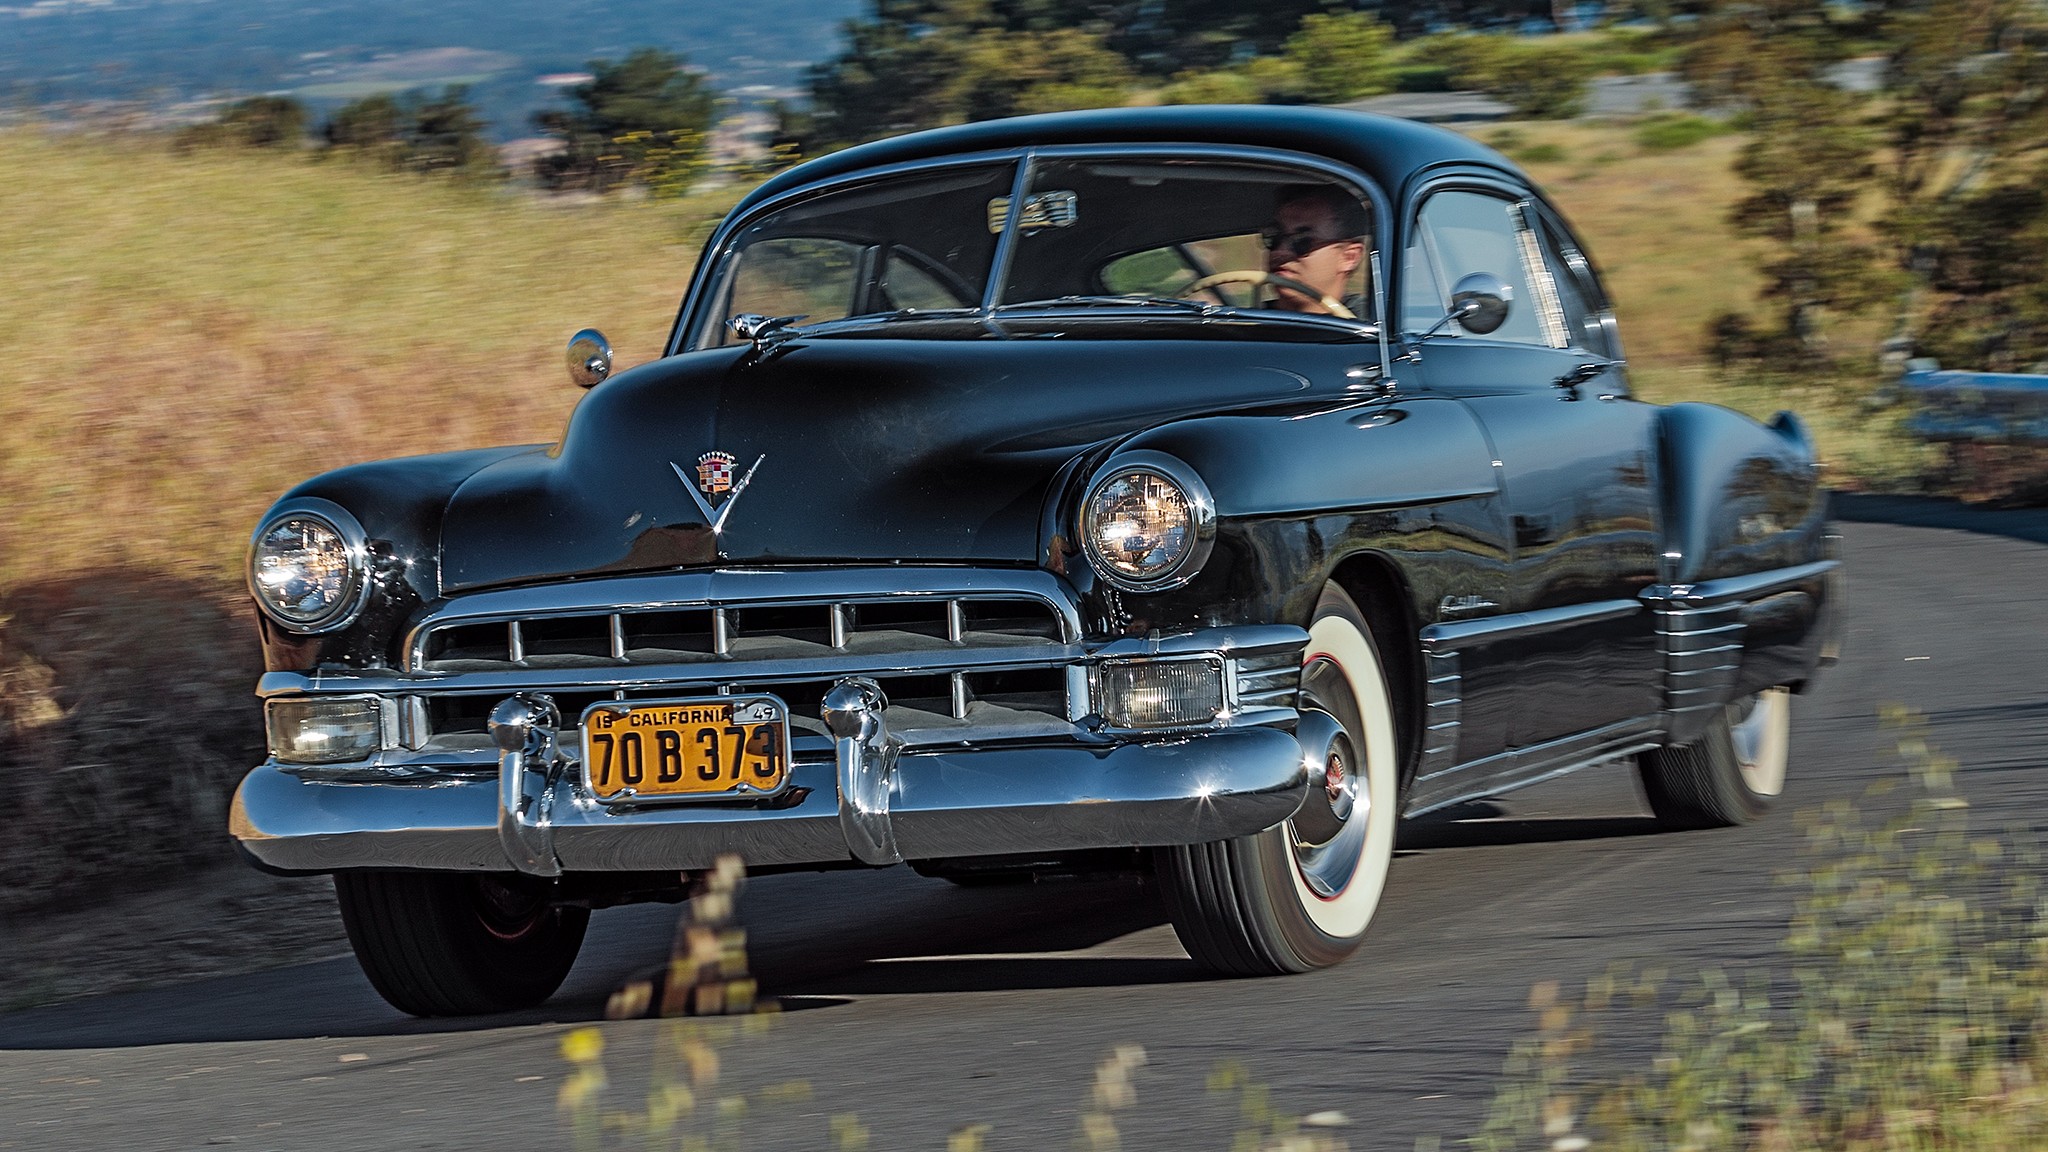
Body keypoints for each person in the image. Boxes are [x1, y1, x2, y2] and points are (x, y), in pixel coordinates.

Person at [1261, 185, 1369, 317]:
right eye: (1273, 237)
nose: (1281, 251)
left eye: (1303, 240)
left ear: (1349, 257)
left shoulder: (1370, 325)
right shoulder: (1246, 322)